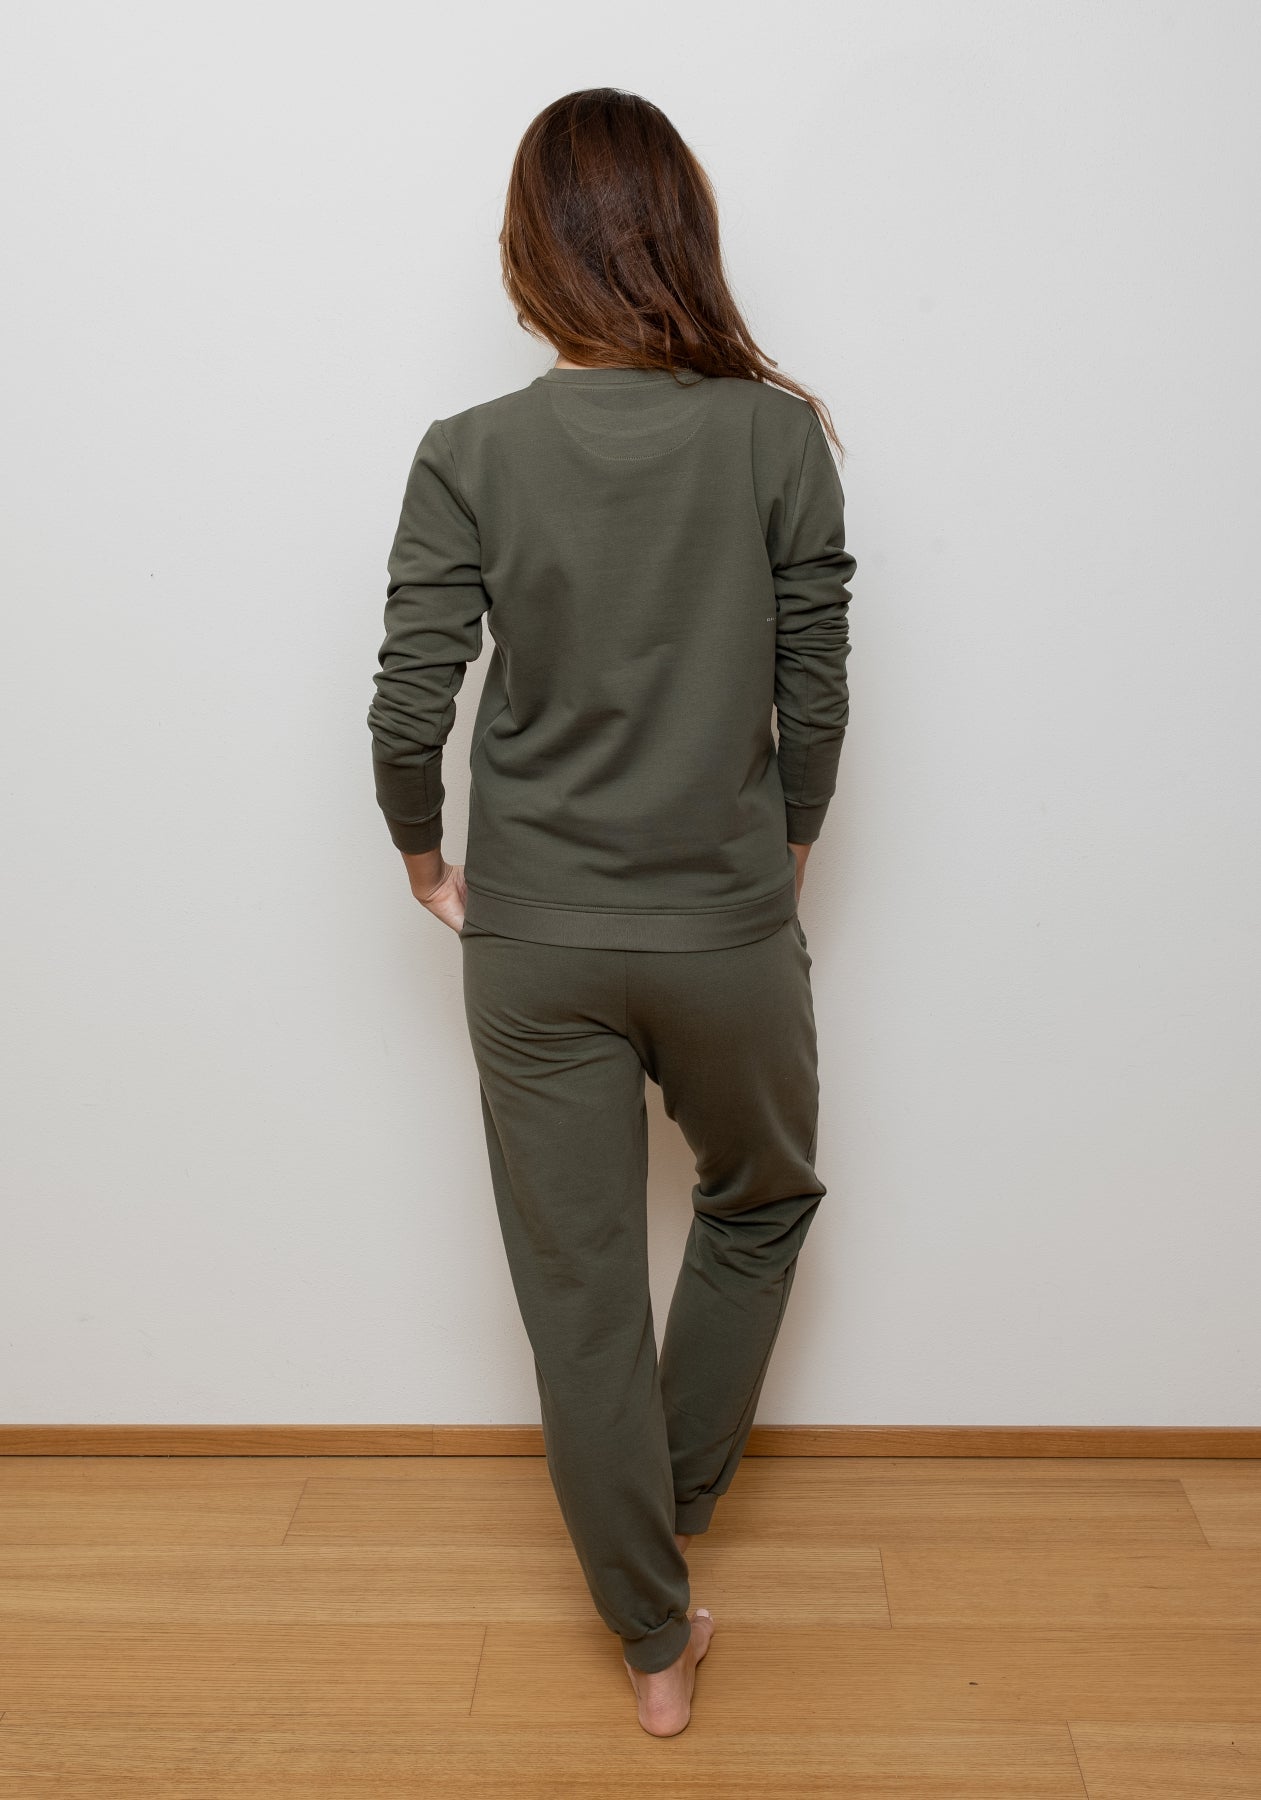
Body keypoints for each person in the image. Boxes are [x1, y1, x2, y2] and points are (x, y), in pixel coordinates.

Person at [366, 87, 857, 1738]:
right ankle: (674, 1497)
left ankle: (652, 1639)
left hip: (531, 937)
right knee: (762, 1194)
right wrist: (789, 842)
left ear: (529, 252)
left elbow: (410, 696)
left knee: (575, 1292)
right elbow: (814, 676)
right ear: (682, 239)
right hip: (723, 920)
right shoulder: (775, 437)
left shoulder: (470, 451)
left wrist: (421, 853)